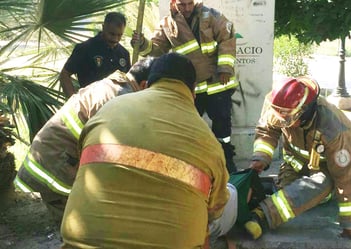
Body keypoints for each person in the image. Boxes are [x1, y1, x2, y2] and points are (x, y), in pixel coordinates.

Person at [60, 53, 229, 248]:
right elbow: (216, 208)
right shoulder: (207, 139)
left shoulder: (109, 110)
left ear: (147, 84)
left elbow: (86, 165)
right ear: (193, 93)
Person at [14, 57, 155, 225]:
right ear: (145, 84)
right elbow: (112, 155)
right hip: (57, 166)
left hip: (52, 157)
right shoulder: (121, 99)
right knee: (83, 226)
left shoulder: (114, 85)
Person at [246, 76, 351, 242]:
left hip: (326, 171)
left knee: (319, 185)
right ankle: (268, 188)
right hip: (295, 165)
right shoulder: (281, 106)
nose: (283, 122)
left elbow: (346, 178)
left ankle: (263, 216)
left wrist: (349, 225)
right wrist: (260, 158)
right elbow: (267, 130)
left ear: (305, 112)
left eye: (288, 119)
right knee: (289, 195)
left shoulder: (335, 129)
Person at [131, 0, 238, 173]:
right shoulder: (167, 24)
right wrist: (142, 43)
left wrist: (225, 67)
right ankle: (191, 161)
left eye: (189, 3)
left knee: (223, 129)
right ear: (174, 3)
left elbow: (227, 40)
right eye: (182, 5)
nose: (187, 8)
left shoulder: (212, 16)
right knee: (188, 126)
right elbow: (157, 50)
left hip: (217, 84)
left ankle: (227, 160)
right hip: (190, 87)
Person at [60, 12, 131, 98]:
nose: (115, 39)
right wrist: (74, 101)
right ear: (103, 27)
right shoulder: (85, 48)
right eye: (112, 34)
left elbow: (128, 82)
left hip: (116, 106)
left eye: (119, 35)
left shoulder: (124, 54)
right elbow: (65, 74)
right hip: (90, 105)